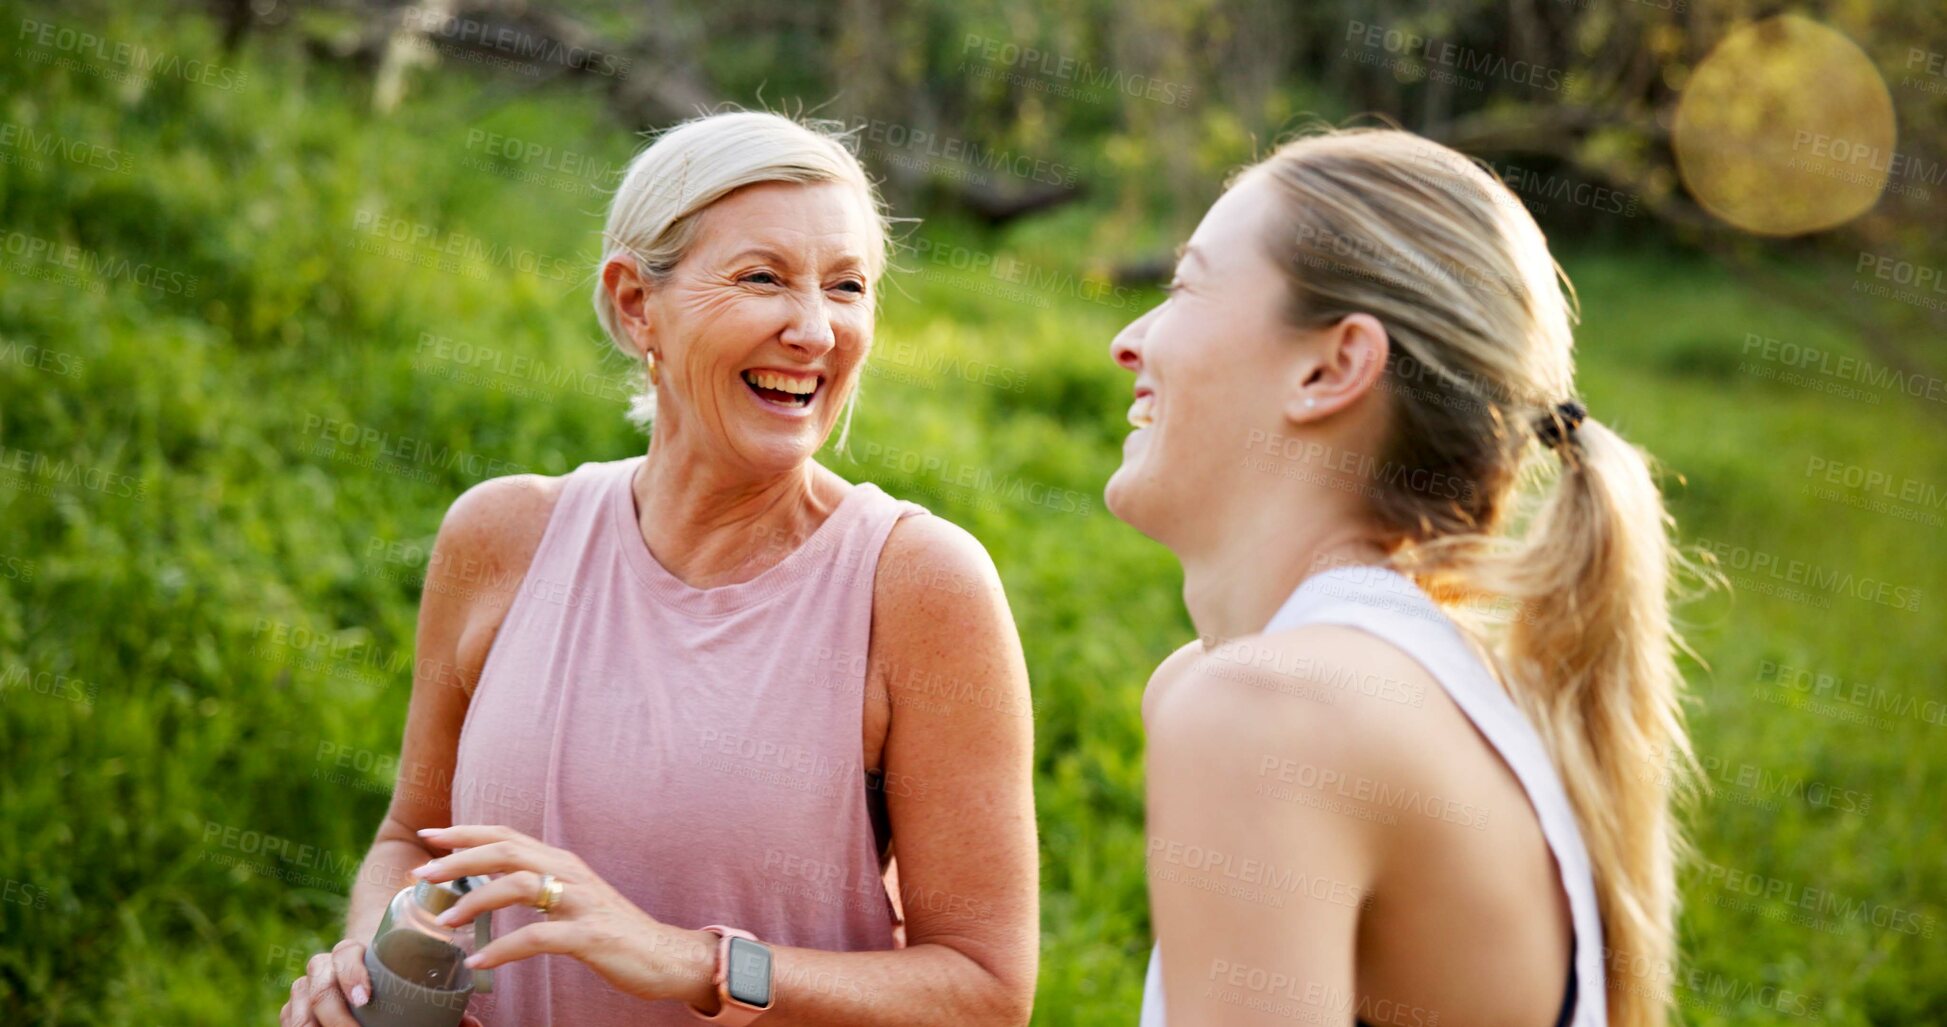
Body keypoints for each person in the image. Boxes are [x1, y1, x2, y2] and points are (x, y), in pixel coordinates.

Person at [280, 111, 1039, 1027]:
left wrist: (687, 961)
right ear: (638, 302)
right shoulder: (500, 535)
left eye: (847, 286)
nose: (815, 330)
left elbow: (984, 992)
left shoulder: (917, 582)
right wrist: (371, 971)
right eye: (762, 278)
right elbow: (413, 839)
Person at [1110, 126, 1696, 1026]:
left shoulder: (1272, 712)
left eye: (1185, 286)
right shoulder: (1431, 695)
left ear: (1331, 366)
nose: (1127, 339)